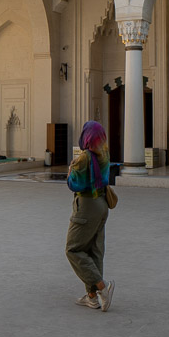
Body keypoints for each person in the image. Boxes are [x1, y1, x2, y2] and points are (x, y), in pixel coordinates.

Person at [65, 121, 115, 311]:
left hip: (86, 206)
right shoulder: (105, 153)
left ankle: (101, 287)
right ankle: (92, 296)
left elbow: (73, 184)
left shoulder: (84, 157)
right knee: (94, 250)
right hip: (102, 204)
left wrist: (70, 171)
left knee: (73, 249)